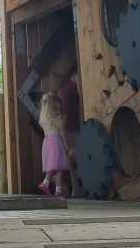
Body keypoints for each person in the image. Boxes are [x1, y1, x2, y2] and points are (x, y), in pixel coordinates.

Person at [38, 92, 70, 198]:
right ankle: (57, 190)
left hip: (47, 141)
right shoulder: (57, 116)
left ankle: (47, 184)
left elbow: (44, 130)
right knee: (59, 167)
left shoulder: (43, 117)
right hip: (56, 141)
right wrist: (65, 142)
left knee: (53, 166)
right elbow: (61, 130)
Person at [57, 69, 82, 197]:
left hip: (68, 123)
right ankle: (75, 187)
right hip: (70, 124)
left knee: (71, 157)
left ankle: (76, 188)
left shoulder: (63, 87)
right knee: (72, 156)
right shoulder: (74, 81)